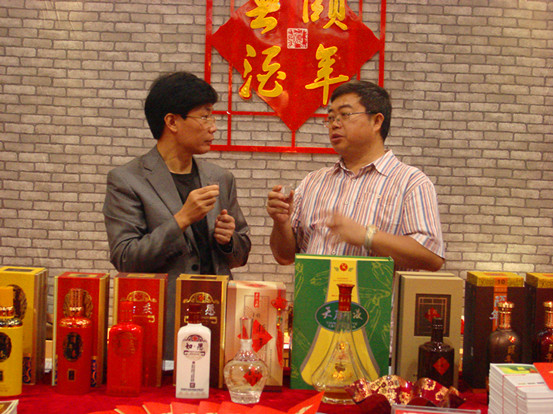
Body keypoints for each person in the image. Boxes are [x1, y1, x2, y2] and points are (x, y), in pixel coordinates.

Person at [103, 71, 251, 360]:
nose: (213, 127)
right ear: (171, 122)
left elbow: (240, 255)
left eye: (213, 116)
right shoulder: (127, 180)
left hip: (216, 321)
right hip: (161, 327)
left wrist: (227, 241)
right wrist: (181, 219)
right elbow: (125, 257)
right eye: (204, 117)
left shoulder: (220, 178)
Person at [267, 80, 445, 271]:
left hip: (374, 292)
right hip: (314, 291)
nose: (335, 124)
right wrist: (281, 223)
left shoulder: (411, 182)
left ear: (377, 121)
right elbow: (284, 257)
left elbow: (431, 257)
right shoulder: (313, 181)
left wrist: (367, 237)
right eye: (331, 117)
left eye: (345, 115)